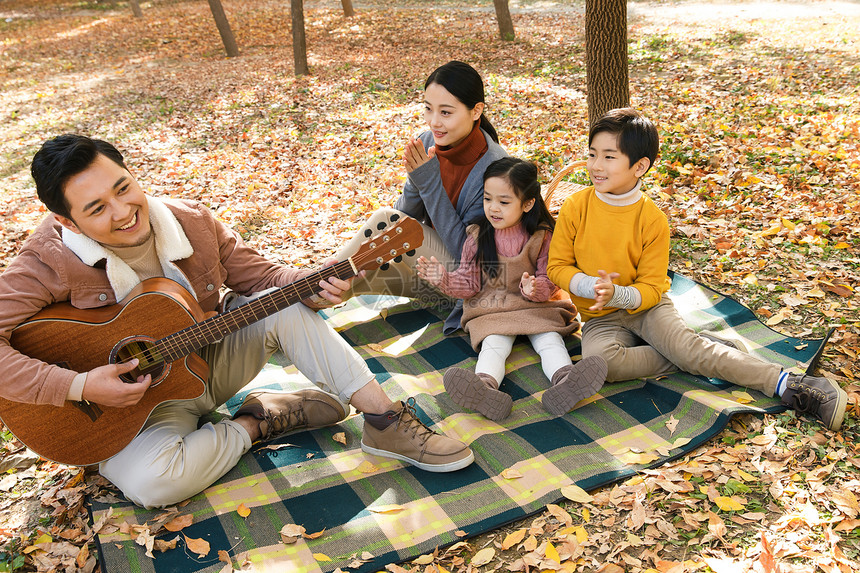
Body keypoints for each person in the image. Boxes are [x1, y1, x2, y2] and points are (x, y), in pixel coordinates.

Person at [0, 135, 474, 509]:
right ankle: (257, 422)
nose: (123, 212)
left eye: (123, 188)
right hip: (122, 415)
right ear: (68, 222)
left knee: (281, 302)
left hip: (207, 364)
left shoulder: (191, 222)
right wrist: (80, 385)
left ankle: (383, 418)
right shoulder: (47, 262)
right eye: (97, 209)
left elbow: (265, 277)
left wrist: (313, 283)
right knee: (152, 485)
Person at [547, 107, 848, 431]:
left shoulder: (651, 219)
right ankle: (695, 351)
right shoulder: (577, 206)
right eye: (592, 154)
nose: (595, 165)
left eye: (608, 157)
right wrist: (586, 286)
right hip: (598, 316)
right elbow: (557, 266)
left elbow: (652, 286)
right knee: (601, 364)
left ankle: (790, 383)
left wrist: (618, 293)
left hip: (646, 308)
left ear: (640, 166)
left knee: (686, 348)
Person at [415, 158, 607, 420]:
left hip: (537, 306)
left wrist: (535, 288)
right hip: (492, 308)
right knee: (494, 344)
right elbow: (469, 284)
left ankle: (565, 382)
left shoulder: (542, 237)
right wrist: (443, 279)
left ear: (527, 204)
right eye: (487, 199)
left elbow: (551, 281)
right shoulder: (477, 237)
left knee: (549, 340)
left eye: (504, 202)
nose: (493, 208)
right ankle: (484, 388)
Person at [336, 61, 508, 333]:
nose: (434, 122)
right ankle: (314, 294)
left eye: (446, 112)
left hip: (473, 284)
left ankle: (315, 283)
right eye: (428, 108)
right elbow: (404, 215)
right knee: (363, 270)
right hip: (432, 275)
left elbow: (469, 254)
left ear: (476, 111)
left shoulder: (495, 169)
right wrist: (418, 183)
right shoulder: (428, 142)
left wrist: (428, 183)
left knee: (384, 220)